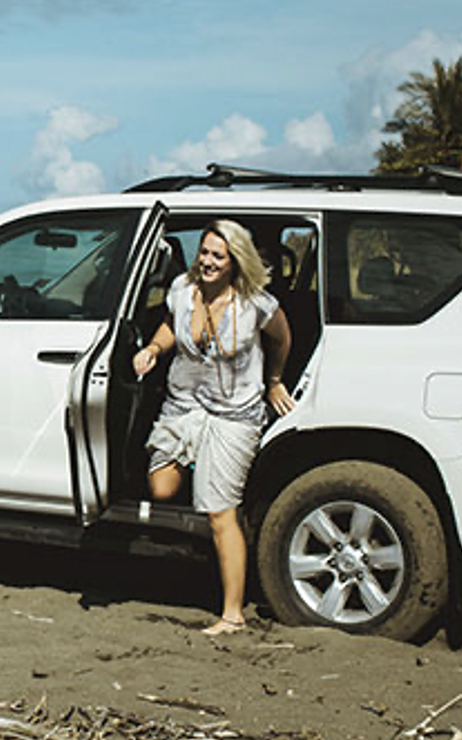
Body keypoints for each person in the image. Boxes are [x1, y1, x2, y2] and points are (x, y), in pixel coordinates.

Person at [131, 219, 295, 635]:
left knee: (221, 512)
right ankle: (203, 465)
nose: (206, 261)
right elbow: (171, 324)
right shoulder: (183, 292)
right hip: (183, 404)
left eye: (217, 256)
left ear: (235, 261)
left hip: (233, 414)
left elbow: (283, 338)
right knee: (162, 488)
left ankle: (232, 615)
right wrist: (153, 348)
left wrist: (274, 381)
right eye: (203, 252)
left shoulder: (255, 304)